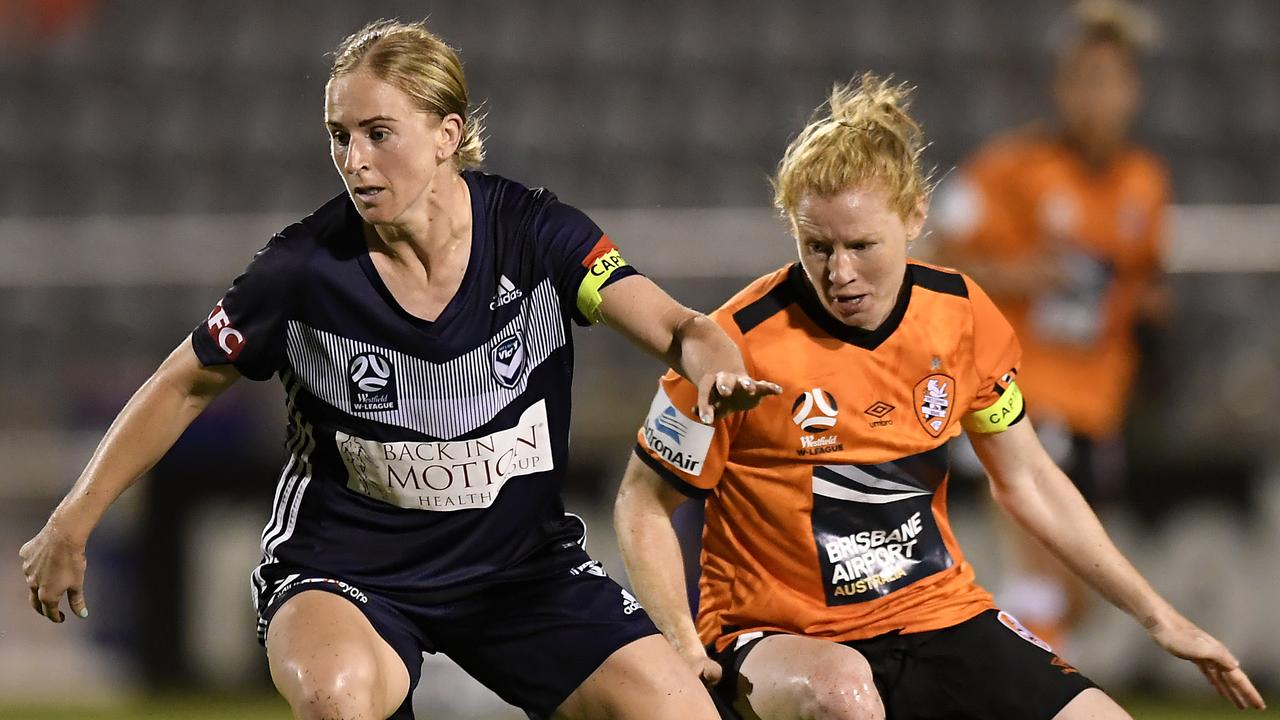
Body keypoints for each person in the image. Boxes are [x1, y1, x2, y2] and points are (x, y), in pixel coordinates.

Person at [18, 19, 780, 720]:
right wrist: (72, 519)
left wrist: (712, 358)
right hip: (349, 573)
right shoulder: (302, 271)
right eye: (339, 136)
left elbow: (678, 327)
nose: (355, 160)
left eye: (379, 133)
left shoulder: (536, 235)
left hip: (520, 571)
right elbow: (185, 381)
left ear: (447, 134)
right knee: (337, 698)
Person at [614, 74, 1265, 720]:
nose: (839, 273)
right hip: (781, 637)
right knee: (844, 698)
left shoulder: (961, 317)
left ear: (916, 215)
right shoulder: (733, 343)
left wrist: (1159, 617)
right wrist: (681, 640)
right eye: (818, 247)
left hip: (935, 613)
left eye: (861, 245)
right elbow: (643, 501)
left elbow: (1029, 480)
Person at [928, 0, 1169, 649]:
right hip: (1023, 397)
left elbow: (1142, 277)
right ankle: (1018, 691)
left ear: (1132, 92)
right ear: (1062, 87)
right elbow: (935, 255)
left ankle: (982, 658)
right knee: (1041, 575)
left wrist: (1145, 306)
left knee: (1077, 599)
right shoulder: (1012, 170)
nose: (1097, 96)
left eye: (1110, 79)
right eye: (1084, 78)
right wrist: (1018, 273)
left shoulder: (1144, 183)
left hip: (1099, 404)